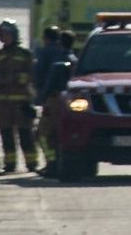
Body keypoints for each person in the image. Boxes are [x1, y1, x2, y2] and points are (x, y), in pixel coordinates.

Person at [0, 20, 39, 173]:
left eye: (7, 35)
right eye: (2, 35)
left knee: (25, 135)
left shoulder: (25, 55)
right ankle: (10, 163)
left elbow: (31, 75)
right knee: (6, 135)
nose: (4, 38)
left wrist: (15, 78)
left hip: (21, 103)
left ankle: (31, 163)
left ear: (14, 35)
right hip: (3, 104)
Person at [35, 30, 76, 175]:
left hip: (54, 100)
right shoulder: (76, 60)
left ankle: (51, 163)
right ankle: (59, 163)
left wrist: (39, 100)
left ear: (60, 42)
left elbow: (49, 83)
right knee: (61, 133)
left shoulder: (58, 62)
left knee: (43, 133)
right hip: (70, 101)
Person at [32, 25, 61, 100]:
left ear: (45, 38)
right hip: (60, 90)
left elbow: (38, 71)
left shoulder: (44, 52)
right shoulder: (63, 51)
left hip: (45, 90)